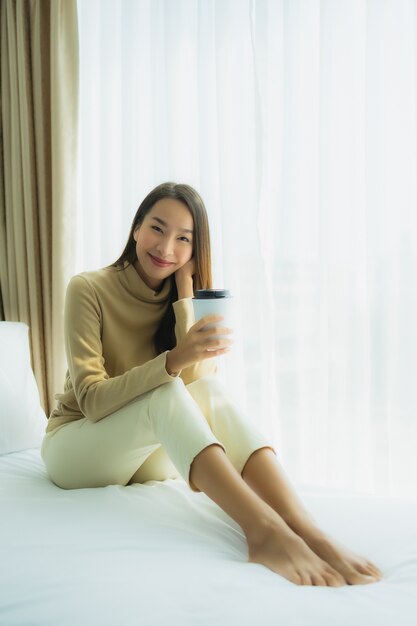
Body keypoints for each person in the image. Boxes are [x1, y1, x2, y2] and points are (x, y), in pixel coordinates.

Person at [41, 182, 382, 587]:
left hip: (138, 456)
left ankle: (303, 526)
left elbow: (198, 385)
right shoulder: (88, 288)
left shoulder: (179, 296)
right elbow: (93, 400)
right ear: (135, 229)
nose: (166, 247)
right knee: (166, 392)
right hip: (76, 447)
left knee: (210, 392)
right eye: (157, 228)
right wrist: (173, 359)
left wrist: (185, 297)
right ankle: (262, 530)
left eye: (183, 239)